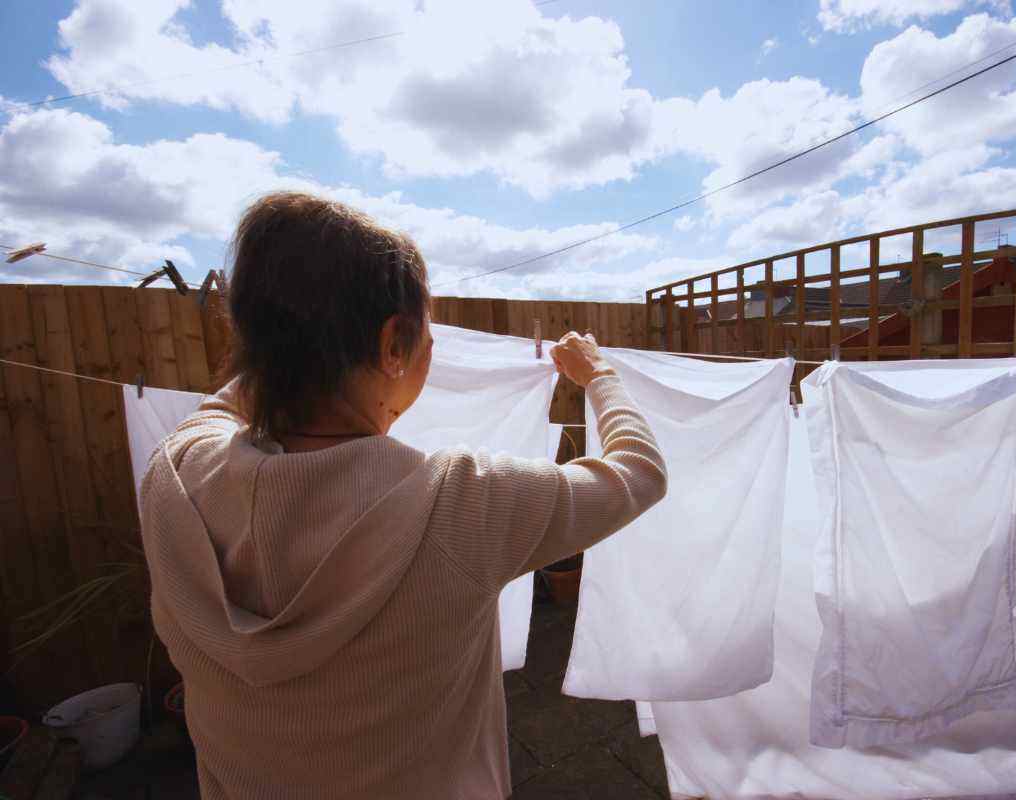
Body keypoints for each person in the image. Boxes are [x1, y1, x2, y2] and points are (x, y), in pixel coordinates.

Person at [138, 192, 667, 799]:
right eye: (427, 336)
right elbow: (640, 473)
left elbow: (221, 407)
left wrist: (281, 346)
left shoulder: (174, 476)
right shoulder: (460, 503)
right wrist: (600, 375)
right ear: (394, 344)